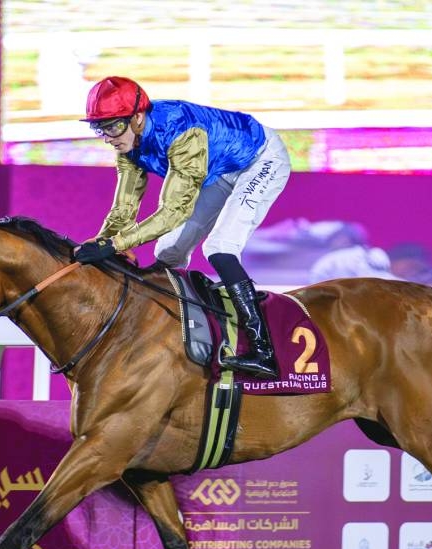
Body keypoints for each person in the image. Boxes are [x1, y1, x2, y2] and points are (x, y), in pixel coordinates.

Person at [74, 76, 291, 380]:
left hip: (259, 159)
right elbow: (123, 210)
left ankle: (264, 351)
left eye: (112, 126)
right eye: (100, 128)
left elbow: (174, 212)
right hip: (220, 170)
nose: (108, 137)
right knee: (168, 250)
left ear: (137, 117)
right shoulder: (128, 142)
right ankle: (176, 330)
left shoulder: (181, 132)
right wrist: (99, 242)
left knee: (220, 247)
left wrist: (114, 246)